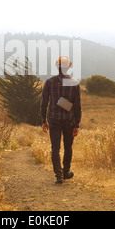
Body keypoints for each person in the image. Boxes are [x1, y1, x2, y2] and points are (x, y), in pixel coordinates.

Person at [41, 56, 81, 184]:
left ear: (56, 67)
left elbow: (44, 103)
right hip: (69, 120)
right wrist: (77, 124)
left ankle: (58, 175)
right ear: (69, 67)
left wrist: (43, 120)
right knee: (68, 147)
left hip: (53, 119)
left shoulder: (49, 82)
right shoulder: (74, 83)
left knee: (55, 148)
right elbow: (77, 106)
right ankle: (66, 172)